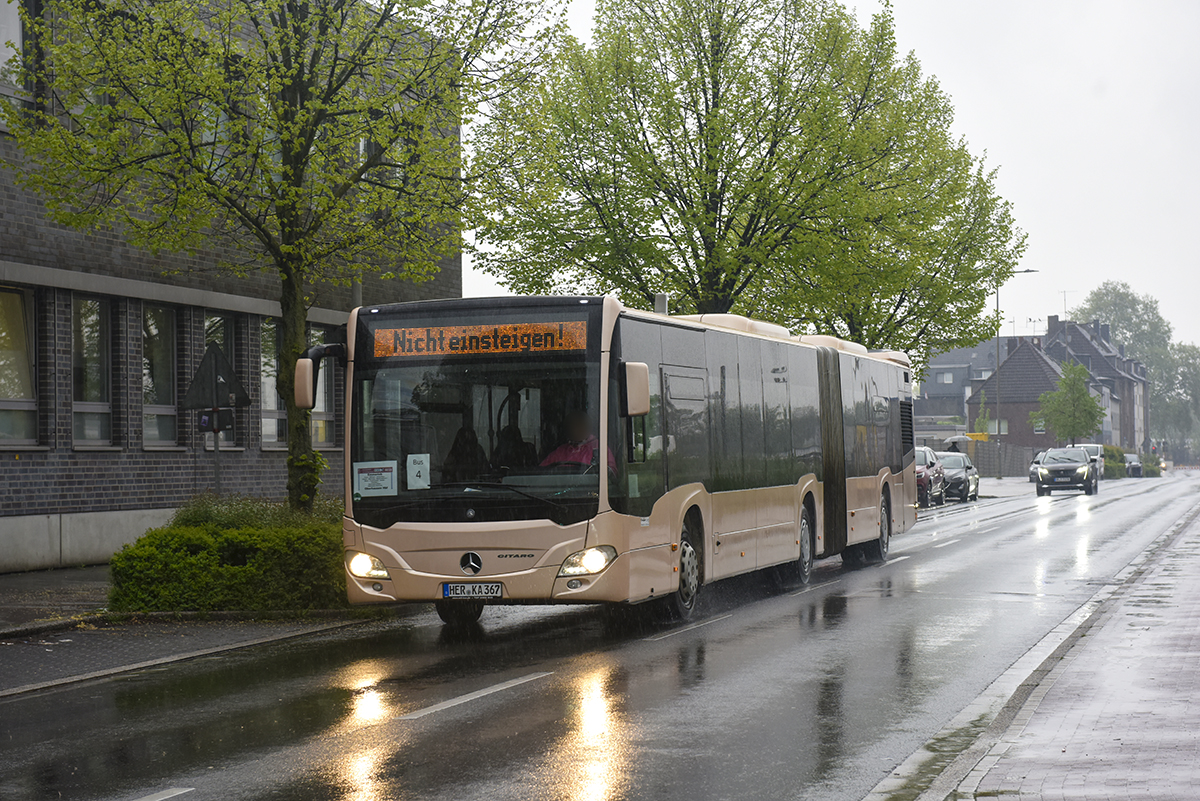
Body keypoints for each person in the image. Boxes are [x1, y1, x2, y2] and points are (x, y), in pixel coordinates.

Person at [540, 410, 617, 470]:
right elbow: (541, 472)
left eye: (579, 425)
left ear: (588, 427)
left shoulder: (600, 448)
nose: (575, 430)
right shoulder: (560, 452)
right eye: (572, 426)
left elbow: (611, 475)